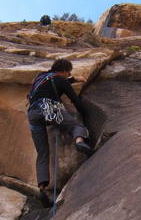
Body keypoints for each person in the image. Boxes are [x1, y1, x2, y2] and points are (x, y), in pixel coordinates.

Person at [27, 59, 93, 205]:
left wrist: (73, 79)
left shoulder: (40, 76)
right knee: (76, 126)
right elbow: (74, 100)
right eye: (69, 72)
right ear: (64, 71)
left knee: (42, 153)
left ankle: (42, 188)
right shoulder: (61, 81)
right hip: (49, 108)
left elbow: (56, 82)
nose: (69, 74)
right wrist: (86, 114)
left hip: (33, 113)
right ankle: (79, 142)